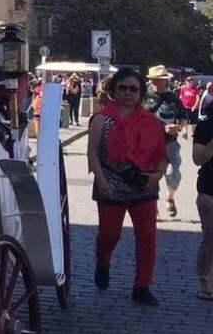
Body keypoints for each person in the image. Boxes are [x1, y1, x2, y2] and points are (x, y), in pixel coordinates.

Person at [88, 66, 168, 306]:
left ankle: (142, 286)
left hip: (144, 185)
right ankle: (103, 260)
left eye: (134, 89)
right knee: (110, 235)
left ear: (141, 93)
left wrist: (159, 175)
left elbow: (162, 155)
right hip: (110, 183)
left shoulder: (152, 122)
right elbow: (92, 153)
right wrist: (101, 181)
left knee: (147, 238)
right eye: (123, 88)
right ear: (114, 90)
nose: (128, 93)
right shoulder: (102, 119)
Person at [145, 65, 185, 220]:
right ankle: (152, 206)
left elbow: (183, 116)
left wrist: (179, 127)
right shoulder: (143, 96)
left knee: (173, 173)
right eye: (159, 80)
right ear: (152, 80)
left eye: (164, 80)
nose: (162, 82)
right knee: (151, 175)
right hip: (149, 144)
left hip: (171, 143)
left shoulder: (173, 97)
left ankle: (170, 197)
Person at [192, 109, 213, 300]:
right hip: (209, 190)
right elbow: (198, 159)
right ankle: (204, 279)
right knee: (211, 237)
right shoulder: (206, 126)